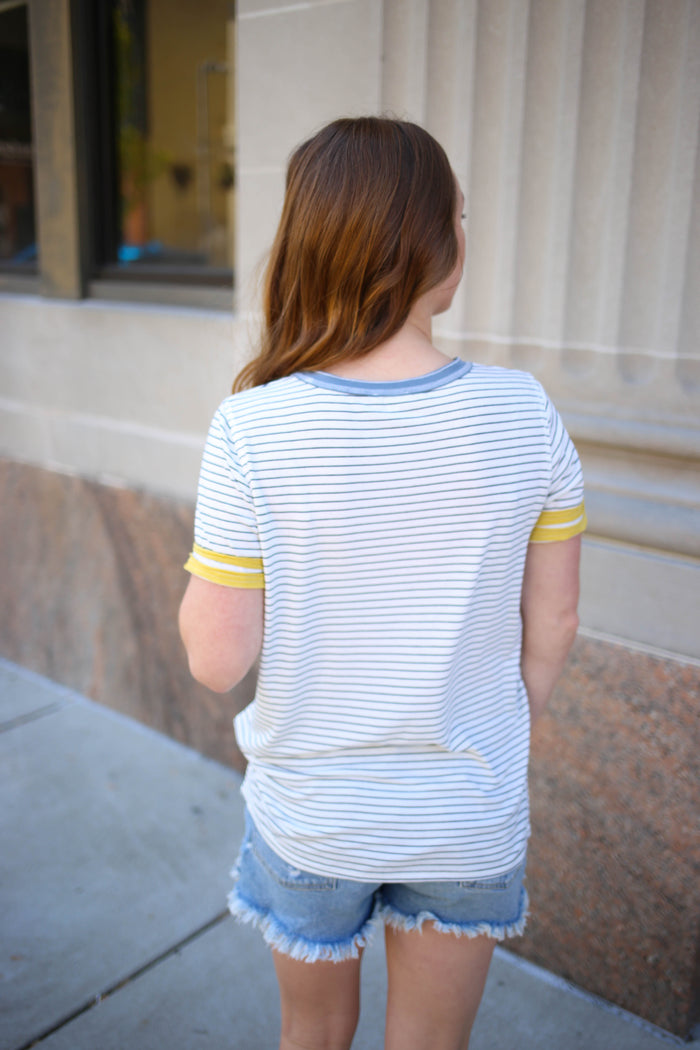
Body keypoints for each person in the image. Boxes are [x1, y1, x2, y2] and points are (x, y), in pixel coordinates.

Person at [179, 116, 585, 1050]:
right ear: (433, 243)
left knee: (313, 1037)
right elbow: (554, 624)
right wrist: (481, 719)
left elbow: (215, 659)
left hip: (315, 819)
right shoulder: (525, 413)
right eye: (461, 218)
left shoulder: (252, 430)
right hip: (469, 812)